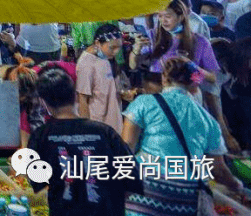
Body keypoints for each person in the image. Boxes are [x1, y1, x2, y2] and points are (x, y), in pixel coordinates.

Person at [123, 57, 248, 214]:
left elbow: (126, 147)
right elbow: (219, 171)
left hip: (143, 196)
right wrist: (237, 186)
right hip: (184, 201)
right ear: (194, 86)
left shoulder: (143, 103)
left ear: (164, 78)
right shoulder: (207, 120)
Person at [27, 66, 139, 216]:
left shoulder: (41, 136)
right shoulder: (105, 132)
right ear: (74, 95)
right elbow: (131, 183)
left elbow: (36, 184)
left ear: (43, 102)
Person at [74, 23, 128, 132]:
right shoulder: (86, 63)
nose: (116, 52)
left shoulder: (107, 58)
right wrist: (87, 131)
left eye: (119, 47)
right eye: (112, 47)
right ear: (98, 43)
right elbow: (82, 99)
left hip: (114, 124)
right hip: (99, 126)